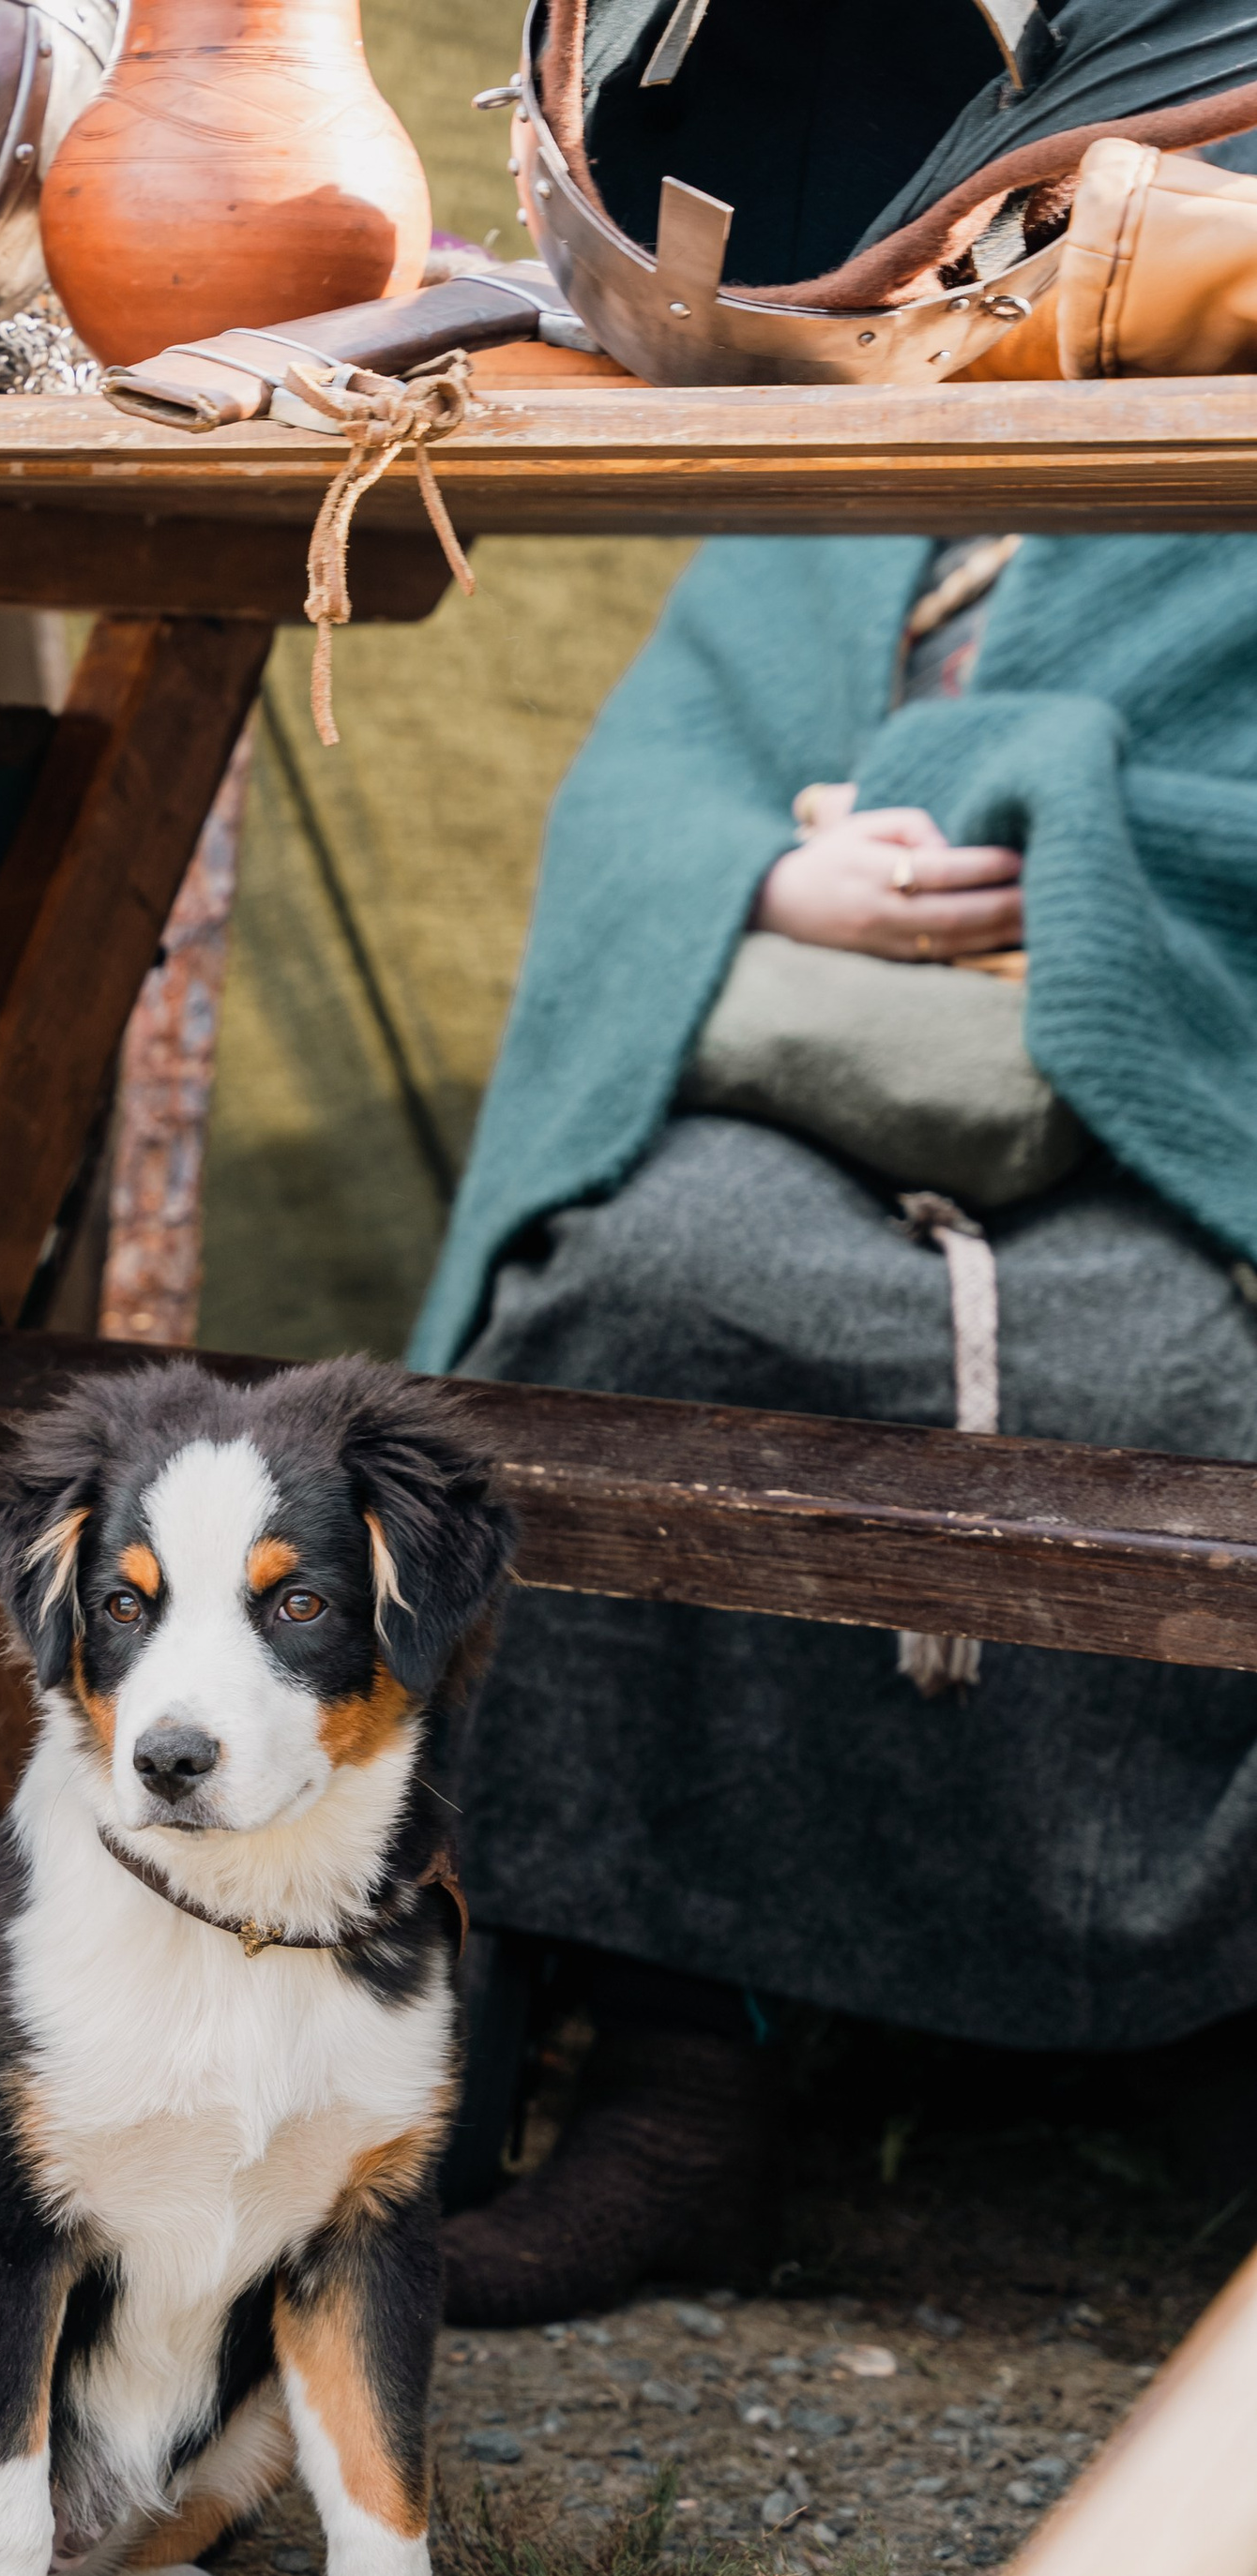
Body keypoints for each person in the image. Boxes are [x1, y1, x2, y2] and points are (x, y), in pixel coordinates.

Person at [414, 528, 1257, 2324]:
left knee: (1160, 1393)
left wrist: (1076, 837)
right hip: (798, 1081)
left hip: (1170, 1125)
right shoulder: (853, 468)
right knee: (638, 1313)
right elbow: (639, 794)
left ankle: (1160, 2053)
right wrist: (771, 884)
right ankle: (677, 2081)